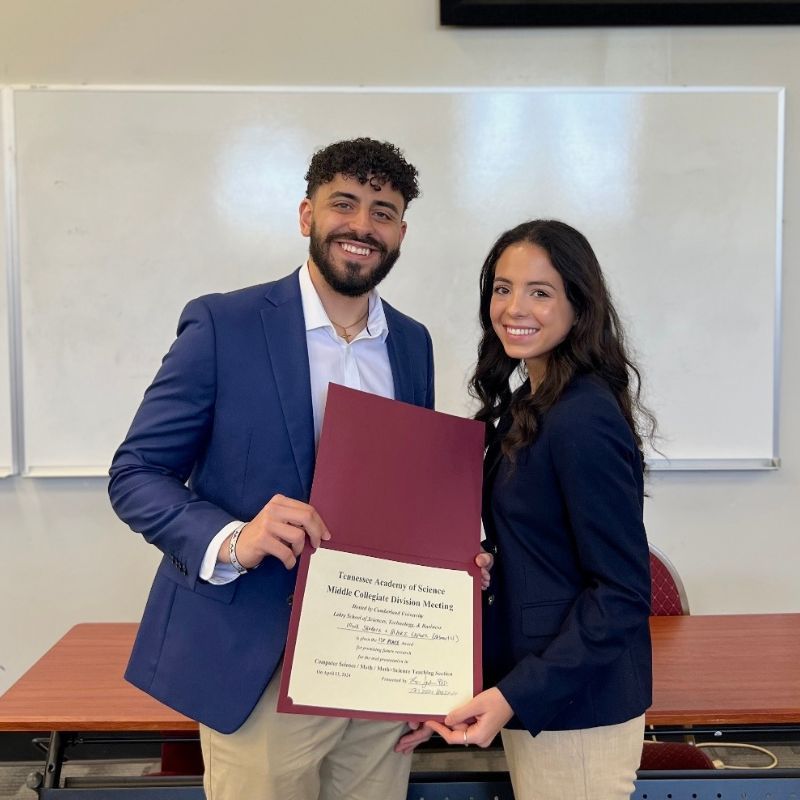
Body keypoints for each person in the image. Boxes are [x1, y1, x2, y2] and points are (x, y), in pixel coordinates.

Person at [109, 138, 437, 800]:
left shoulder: (413, 342)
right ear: (305, 215)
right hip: (258, 664)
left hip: (376, 665)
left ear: (401, 231)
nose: (362, 226)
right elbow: (136, 472)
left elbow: (407, 499)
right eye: (343, 204)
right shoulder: (224, 325)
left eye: (383, 211)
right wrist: (234, 538)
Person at [397, 219, 655, 800]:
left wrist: (514, 694)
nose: (515, 307)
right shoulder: (528, 404)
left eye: (541, 291)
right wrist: (491, 562)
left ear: (578, 306)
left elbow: (620, 594)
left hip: (576, 707)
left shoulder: (583, 418)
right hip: (537, 686)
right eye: (502, 287)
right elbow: (543, 548)